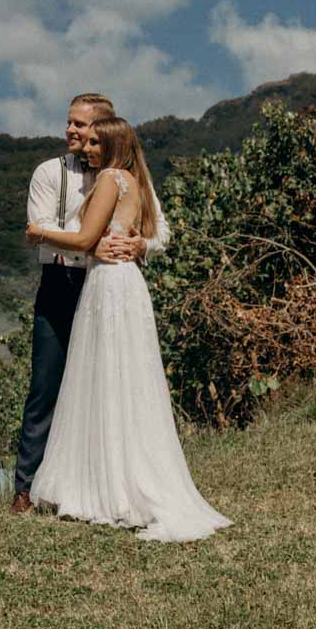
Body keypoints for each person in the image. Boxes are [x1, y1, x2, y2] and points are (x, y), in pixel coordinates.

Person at [25, 116, 230, 541]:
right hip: (126, 283)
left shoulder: (110, 179)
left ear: (114, 146)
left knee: (104, 379)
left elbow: (84, 241)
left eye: (96, 142)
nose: (87, 148)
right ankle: (120, 475)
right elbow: (128, 233)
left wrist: (39, 232)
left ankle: (108, 486)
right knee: (124, 380)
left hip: (109, 284)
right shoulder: (134, 180)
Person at [14, 93, 163, 512]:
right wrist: (92, 247)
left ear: (104, 129)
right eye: (71, 124)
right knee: (46, 384)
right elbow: (44, 223)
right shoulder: (49, 172)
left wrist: (140, 245)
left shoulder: (124, 177)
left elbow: (160, 232)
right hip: (62, 282)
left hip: (105, 283)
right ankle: (25, 488)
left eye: (82, 126)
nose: (72, 132)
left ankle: (96, 480)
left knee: (103, 382)